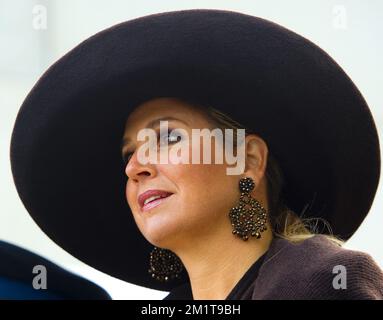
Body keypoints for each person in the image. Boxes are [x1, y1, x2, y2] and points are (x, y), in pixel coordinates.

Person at [10, 9, 383, 300]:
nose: (135, 167)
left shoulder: (317, 281)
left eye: (168, 137)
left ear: (248, 160)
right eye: (129, 152)